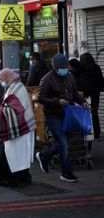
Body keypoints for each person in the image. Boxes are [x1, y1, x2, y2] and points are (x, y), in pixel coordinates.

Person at [36, 53, 88, 182]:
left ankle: (44, 155)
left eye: (67, 66)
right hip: (53, 114)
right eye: (63, 67)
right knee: (63, 142)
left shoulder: (69, 76)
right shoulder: (47, 79)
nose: (66, 69)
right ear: (56, 67)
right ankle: (66, 172)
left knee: (68, 141)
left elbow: (74, 93)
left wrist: (83, 102)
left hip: (67, 114)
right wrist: (57, 101)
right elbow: (41, 98)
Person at [0, 68, 35, 187]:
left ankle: (19, 179)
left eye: (2, 79)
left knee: (17, 155)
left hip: (21, 127)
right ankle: (21, 178)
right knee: (17, 155)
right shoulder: (13, 86)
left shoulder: (17, 88)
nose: (1, 82)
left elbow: (15, 107)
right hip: (18, 127)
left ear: (7, 77)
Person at [77, 52, 104, 140]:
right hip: (95, 93)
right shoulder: (96, 67)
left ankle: (86, 132)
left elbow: (80, 83)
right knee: (95, 112)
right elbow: (101, 80)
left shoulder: (81, 70)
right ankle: (97, 133)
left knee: (85, 112)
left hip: (84, 94)